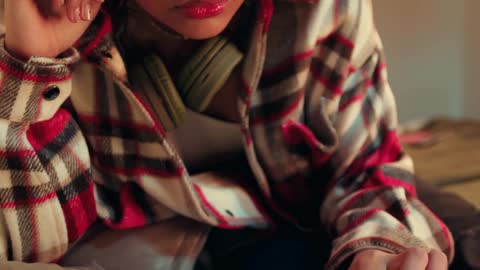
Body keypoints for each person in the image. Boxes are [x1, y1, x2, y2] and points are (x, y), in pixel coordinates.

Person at [0, 0, 457, 269]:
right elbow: (31, 239)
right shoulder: (44, 23)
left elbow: (365, 170)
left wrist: (382, 245)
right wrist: (31, 64)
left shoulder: (324, 10)